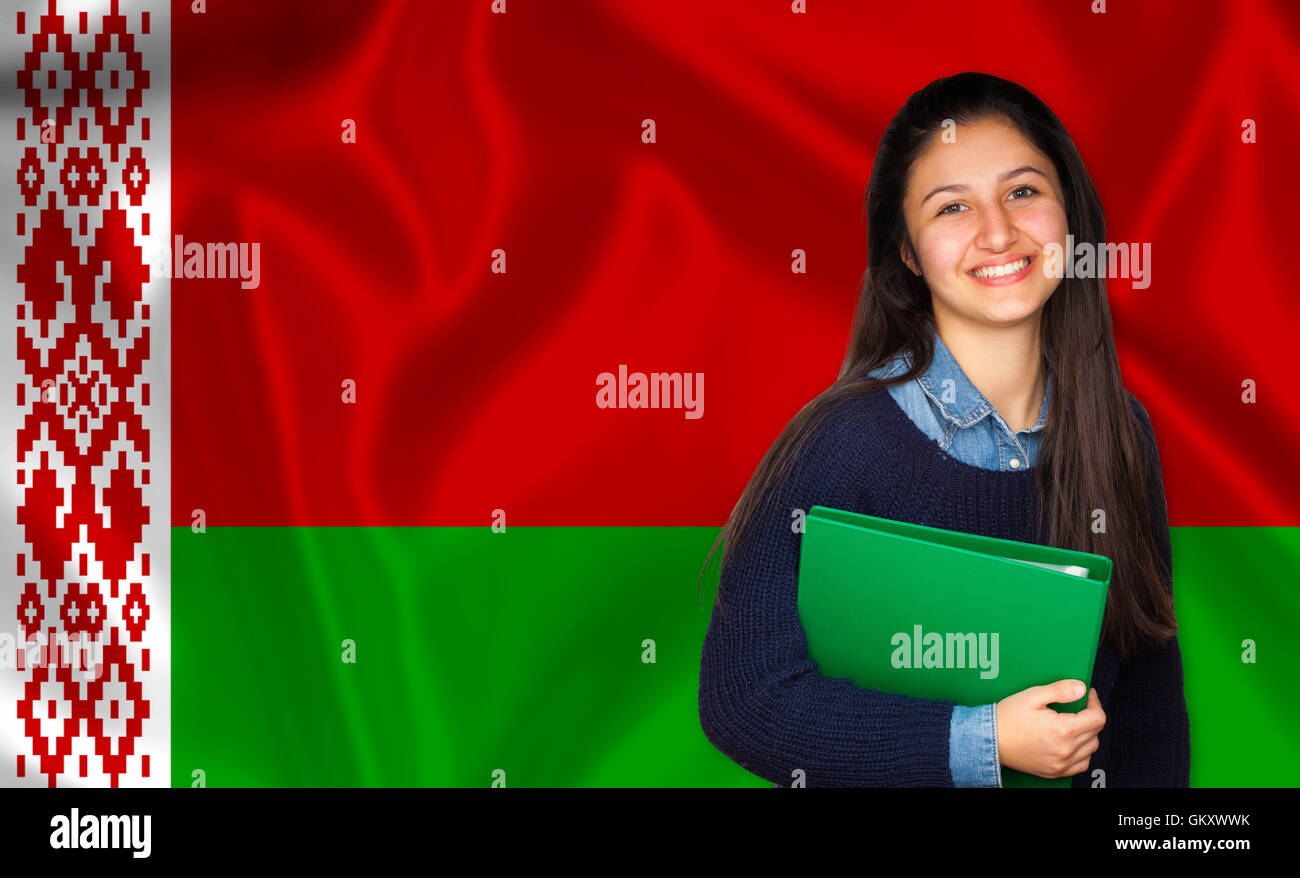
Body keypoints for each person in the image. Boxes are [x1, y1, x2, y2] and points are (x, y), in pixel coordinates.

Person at [697, 72, 1189, 788]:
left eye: (1024, 191)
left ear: (1070, 216)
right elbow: (745, 700)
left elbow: (1148, 709)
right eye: (952, 206)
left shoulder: (1121, 433)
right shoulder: (840, 444)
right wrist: (982, 740)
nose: (998, 231)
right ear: (906, 251)